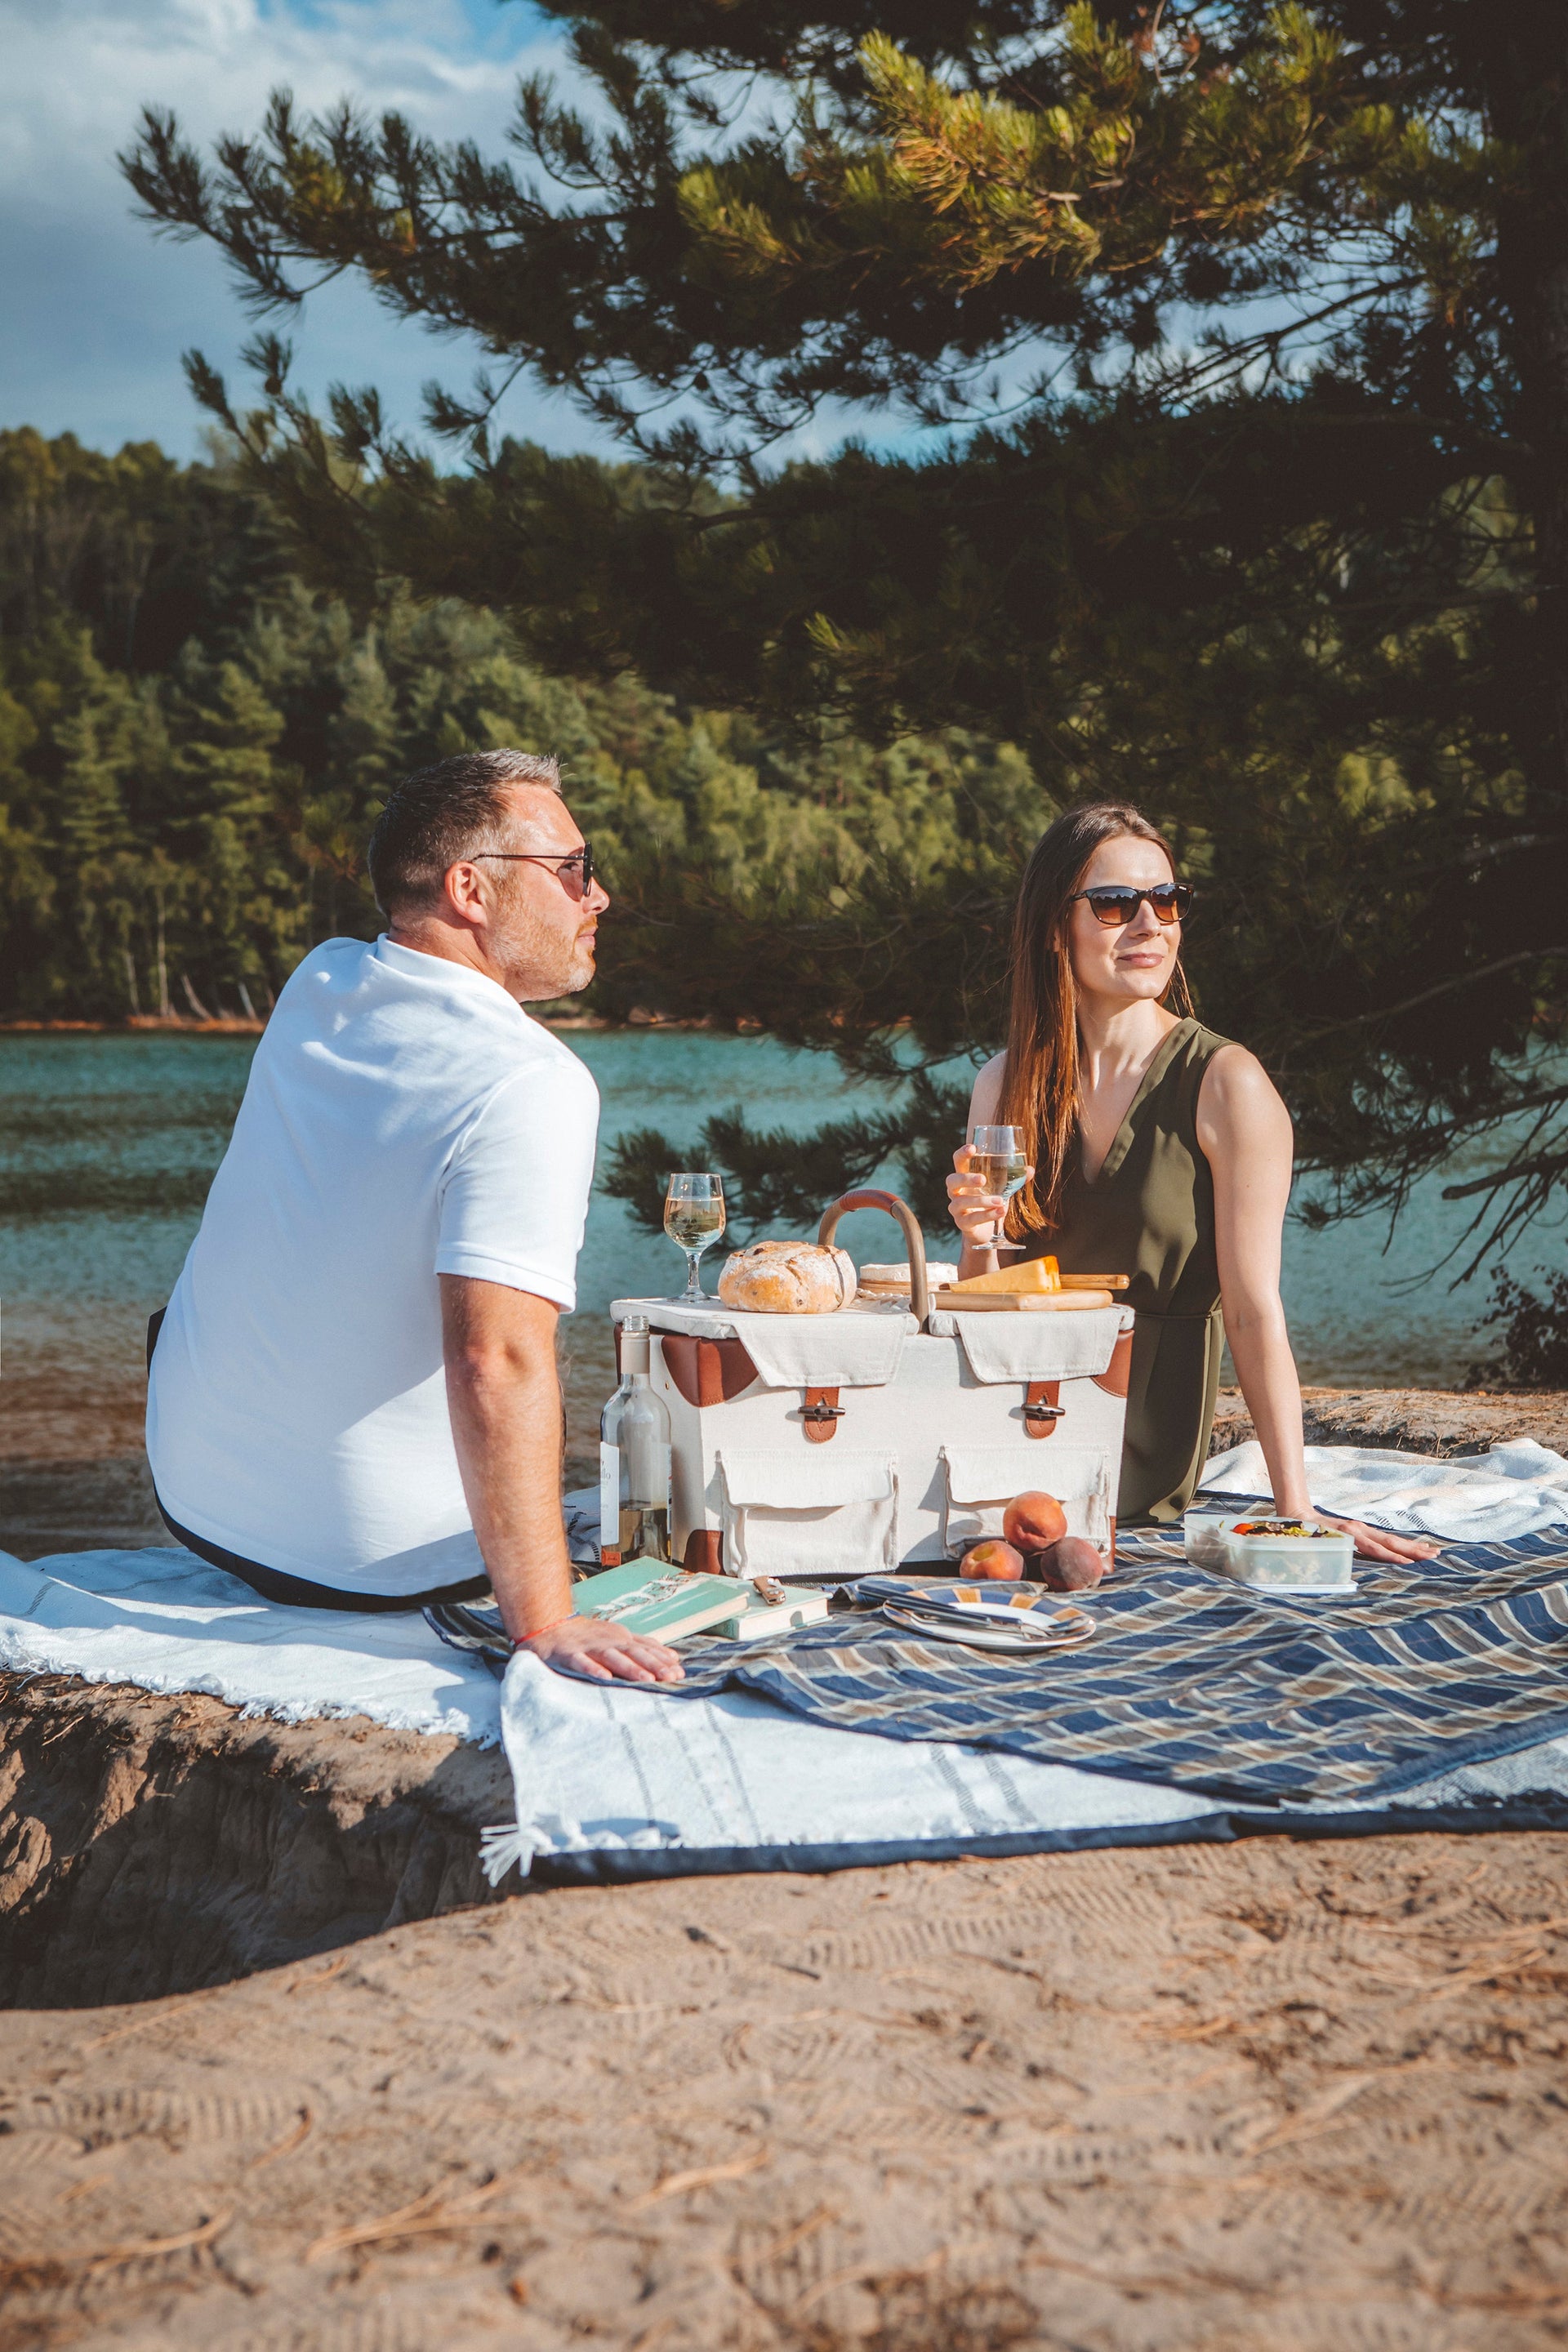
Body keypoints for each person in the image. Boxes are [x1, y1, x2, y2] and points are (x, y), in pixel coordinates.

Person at [146, 747, 684, 1683]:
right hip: (366, 1560)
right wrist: (545, 1621)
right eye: (572, 871)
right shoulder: (530, 1082)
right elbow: (496, 1358)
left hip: (196, 1503)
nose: (597, 897)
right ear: (470, 889)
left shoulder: (320, 982)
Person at [947, 801, 1437, 1562]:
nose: (1149, 924)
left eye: (1166, 901)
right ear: (1055, 927)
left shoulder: (1225, 1083)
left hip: (1137, 1451)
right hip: (1014, 1424)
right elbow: (987, 1306)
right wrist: (978, 1242)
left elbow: (1252, 1312)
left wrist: (1295, 1510)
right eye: (1114, 904)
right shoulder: (1004, 1083)